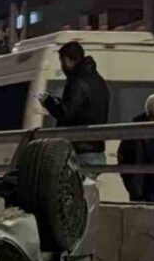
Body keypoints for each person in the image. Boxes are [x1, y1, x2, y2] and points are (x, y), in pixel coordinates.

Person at [37, 41, 110, 175]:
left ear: (67, 60)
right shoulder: (98, 80)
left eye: (62, 62)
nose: (62, 67)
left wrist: (49, 103)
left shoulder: (77, 82)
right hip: (97, 150)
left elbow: (67, 113)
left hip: (79, 152)